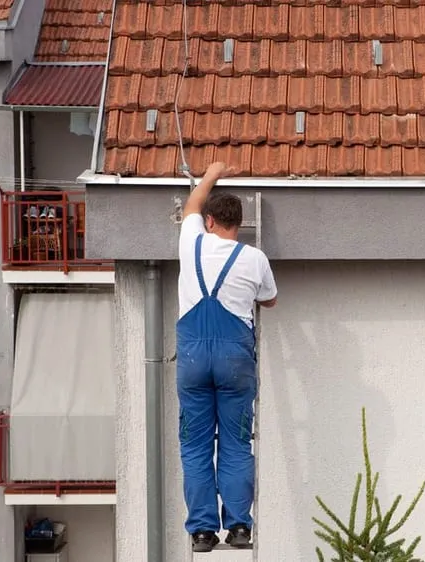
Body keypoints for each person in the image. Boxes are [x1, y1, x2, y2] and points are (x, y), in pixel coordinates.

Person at [175, 162, 277, 551]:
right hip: (235, 360)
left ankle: (203, 531)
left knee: (196, 445)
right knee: (236, 444)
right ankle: (238, 528)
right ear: (240, 224)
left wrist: (212, 173)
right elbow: (270, 300)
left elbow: (191, 205)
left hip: (193, 358)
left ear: (210, 221)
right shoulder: (254, 258)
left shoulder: (192, 242)